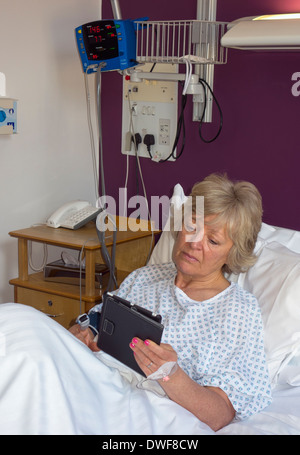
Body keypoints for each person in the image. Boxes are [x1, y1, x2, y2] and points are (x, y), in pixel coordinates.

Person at [70, 173, 272, 431]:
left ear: (233, 254)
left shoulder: (238, 311)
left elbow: (221, 413)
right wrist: (85, 332)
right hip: (93, 381)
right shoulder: (146, 276)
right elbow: (97, 320)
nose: (193, 242)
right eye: (192, 226)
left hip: (142, 410)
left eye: (212, 240)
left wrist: (169, 374)